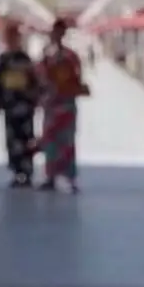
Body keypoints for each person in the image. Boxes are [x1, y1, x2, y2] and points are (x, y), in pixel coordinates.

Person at [37, 18, 89, 192]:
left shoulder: (64, 56)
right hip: (57, 104)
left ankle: (65, 176)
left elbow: (75, 78)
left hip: (62, 103)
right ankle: (54, 175)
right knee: (53, 140)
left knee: (64, 141)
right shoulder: (55, 55)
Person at [0, 22, 40, 187]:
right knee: (12, 139)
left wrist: (34, 97)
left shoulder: (25, 59)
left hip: (25, 104)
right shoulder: (3, 60)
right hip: (10, 105)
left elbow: (35, 80)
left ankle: (27, 170)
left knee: (26, 138)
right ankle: (17, 171)